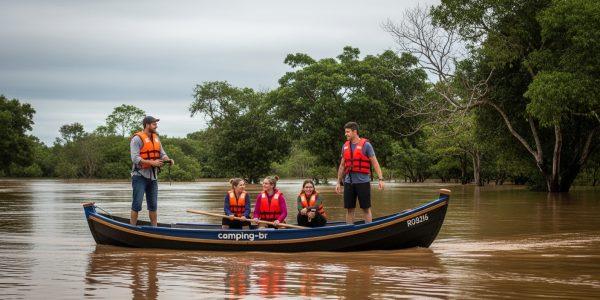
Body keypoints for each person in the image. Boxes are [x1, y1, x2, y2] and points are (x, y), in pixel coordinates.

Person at [335, 121, 384, 224]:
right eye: (345, 132)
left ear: (355, 132)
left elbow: (375, 163)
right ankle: (349, 231)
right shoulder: (345, 146)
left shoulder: (366, 145)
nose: (346, 134)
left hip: (363, 183)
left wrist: (380, 179)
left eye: (348, 132)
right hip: (349, 182)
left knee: (366, 209)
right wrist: (338, 182)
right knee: (349, 209)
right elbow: (342, 165)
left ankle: (369, 230)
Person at [130, 116, 174, 226]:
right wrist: (151, 162)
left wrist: (168, 159)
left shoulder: (156, 138)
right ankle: (131, 228)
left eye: (156, 124)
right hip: (139, 176)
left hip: (153, 177)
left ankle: (155, 229)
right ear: (147, 125)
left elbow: (162, 154)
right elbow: (135, 158)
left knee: (153, 206)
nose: (156, 126)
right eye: (154, 124)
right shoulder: (137, 139)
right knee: (137, 204)